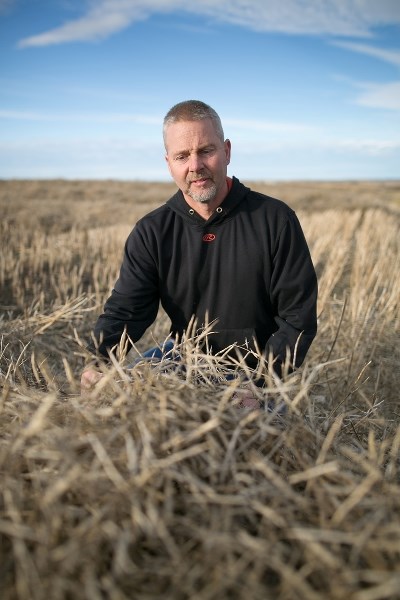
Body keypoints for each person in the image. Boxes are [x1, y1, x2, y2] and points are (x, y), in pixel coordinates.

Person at [81, 100, 318, 393]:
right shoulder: (152, 232)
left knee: (254, 434)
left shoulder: (275, 220)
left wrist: (261, 384)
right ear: (169, 164)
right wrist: (99, 360)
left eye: (206, 151)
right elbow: (127, 310)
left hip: (257, 369)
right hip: (183, 358)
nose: (196, 166)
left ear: (227, 151)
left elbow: (297, 320)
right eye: (182, 156)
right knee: (124, 399)